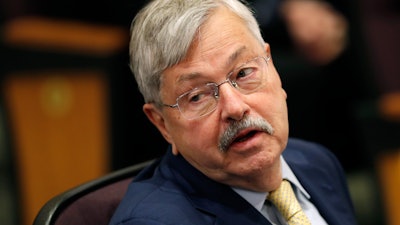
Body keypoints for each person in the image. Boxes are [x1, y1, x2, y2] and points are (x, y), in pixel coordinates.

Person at [109, 0, 357, 224]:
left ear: (271, 65)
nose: (236, 108)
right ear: (161, 123)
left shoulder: (316, 162)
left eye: (244, 73)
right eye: (197, 96)